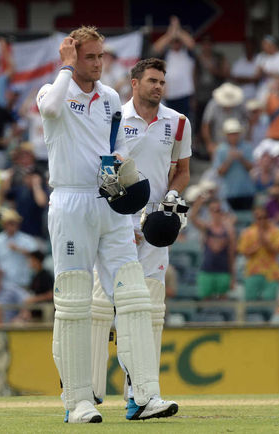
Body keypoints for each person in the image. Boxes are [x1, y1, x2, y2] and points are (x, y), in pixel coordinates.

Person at [37, 26, 178, 424]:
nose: (98, 64)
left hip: (109, 201)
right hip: (70, 200)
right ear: (72, 57)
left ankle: (146, 396)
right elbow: (49, 112)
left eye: (101, 56)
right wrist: (65, 68)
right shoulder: (53, 91)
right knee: (75, 300)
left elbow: (110, 147)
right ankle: (77, 401)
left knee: (134, 294)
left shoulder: (112, 97)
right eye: (90, 57)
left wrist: (122, 171)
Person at [91, 58, 191, 406]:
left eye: (162, 81)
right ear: (135, 83)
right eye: (151, 80)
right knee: (104, 308)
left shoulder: (178, 122)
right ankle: (89, 390)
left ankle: (141, 393)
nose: (158, 87)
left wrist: (171, 201)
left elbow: (182, 171)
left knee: (149, 309)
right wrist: (121, 217)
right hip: (117, 221)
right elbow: (103, 169)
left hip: (156, 223)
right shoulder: (113, 119)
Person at [190, 196, 236, 299]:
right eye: (212, 210)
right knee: (205, 301)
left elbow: (232, 254)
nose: (216, 213)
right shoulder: (207, 228)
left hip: (223, 271)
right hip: (207, 270)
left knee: (222, 302)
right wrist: (198, 204)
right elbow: (193, 219)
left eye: (218, 210)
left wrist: (233, 276)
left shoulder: (228, 231)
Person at [0, 208, 38, 288]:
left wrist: (19, 249)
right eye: (9, 223)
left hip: (23, 283)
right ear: (3, 224)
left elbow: (37, 256)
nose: (12, 225)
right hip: (3, 284)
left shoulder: (27, 239)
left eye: (14, 223)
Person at [152, 15, 195, 118]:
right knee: (170, 122)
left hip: (186, 94)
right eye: (173, 41)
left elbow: (191, 44)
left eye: (177, 41)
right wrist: (170, 34)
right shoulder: (166, 54)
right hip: (169, 95)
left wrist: (178, 30)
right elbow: (156, 48)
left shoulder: (187, 53)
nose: (175, 43)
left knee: (185, 122)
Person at [238, 205, 279, 301]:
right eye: (259, 218)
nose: (262, 220)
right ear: (255, 218)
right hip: (253, 271)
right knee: (250, 301)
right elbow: (245, 253)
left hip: (272, 273)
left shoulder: (277, 232)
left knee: (269, 301)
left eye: (265, 217)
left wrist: (265, 241)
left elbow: (276, 251)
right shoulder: (247, 232)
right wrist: (257, 246)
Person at [213, 118, 255, 211]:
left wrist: (241, 158)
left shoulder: (247, 146)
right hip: (228, 192)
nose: (233, 136)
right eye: (231, 134)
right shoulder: (220, 149)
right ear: (226, 135)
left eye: (235, 133)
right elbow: (219, 172)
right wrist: (229, 159)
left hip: (246, 191)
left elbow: (251, 167)